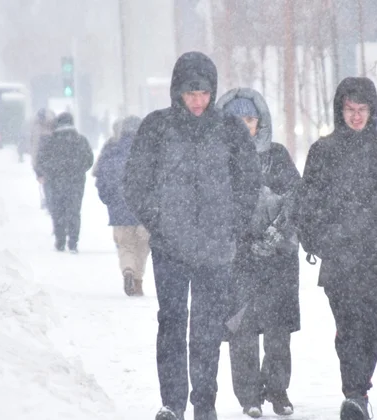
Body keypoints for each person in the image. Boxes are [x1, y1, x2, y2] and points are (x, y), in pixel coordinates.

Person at [122, 51, 261, 420]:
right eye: (190, 93)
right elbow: (135, 183)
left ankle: (204, 404)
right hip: (170, 248)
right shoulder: (156, 127)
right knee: (170, 323)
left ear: (213, 93)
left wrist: (232, 223)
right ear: (177, 92)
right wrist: (160, 221)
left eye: (204, 93)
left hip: (216, 250)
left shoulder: (229, 130)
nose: (198, 101)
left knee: (206, 329)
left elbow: (249, 182)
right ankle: (172, 404)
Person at [295, 77, 377, 420]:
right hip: (338, 258)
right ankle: (355, 393)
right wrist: (316, 239)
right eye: (350, 109)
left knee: (371, 327)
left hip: (376, 256)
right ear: (339, 110)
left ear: (372, 110)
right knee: (347, 327)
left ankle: (358, 390)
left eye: (363, 109)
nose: (357, 116)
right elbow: (308, 202)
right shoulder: (323, 151)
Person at [215, 88, 300, 419]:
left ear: (259, 122)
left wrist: (275, 234)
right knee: (242, 329)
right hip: (238, 259)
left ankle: (277, 390)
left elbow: (294, 197)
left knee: (278, 331)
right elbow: (215, 207)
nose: (243, 125)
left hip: (278, 258)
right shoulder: (218, 158)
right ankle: (249, 395)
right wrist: (240, 239)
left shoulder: (277, 156)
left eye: (249, 119)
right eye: (236, 119)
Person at [93, 115, 150, 296]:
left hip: (119, 210)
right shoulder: (149, 150)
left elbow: (100, 179)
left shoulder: (111, 149)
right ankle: (138, 281)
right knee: (143, 247)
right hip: (144, 211)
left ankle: (128, 270)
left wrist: (109, 200)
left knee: (125, 246)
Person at [34, 112, 94, 253]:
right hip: (76, 182)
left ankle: (60, 241)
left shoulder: (51, 141)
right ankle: (73, 241)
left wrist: (49, 172)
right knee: (74, 211)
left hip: (55, 182)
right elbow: (89, 160)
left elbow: (41, 160)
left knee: (58, 210)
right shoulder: (80, 140)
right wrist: (79, 170)